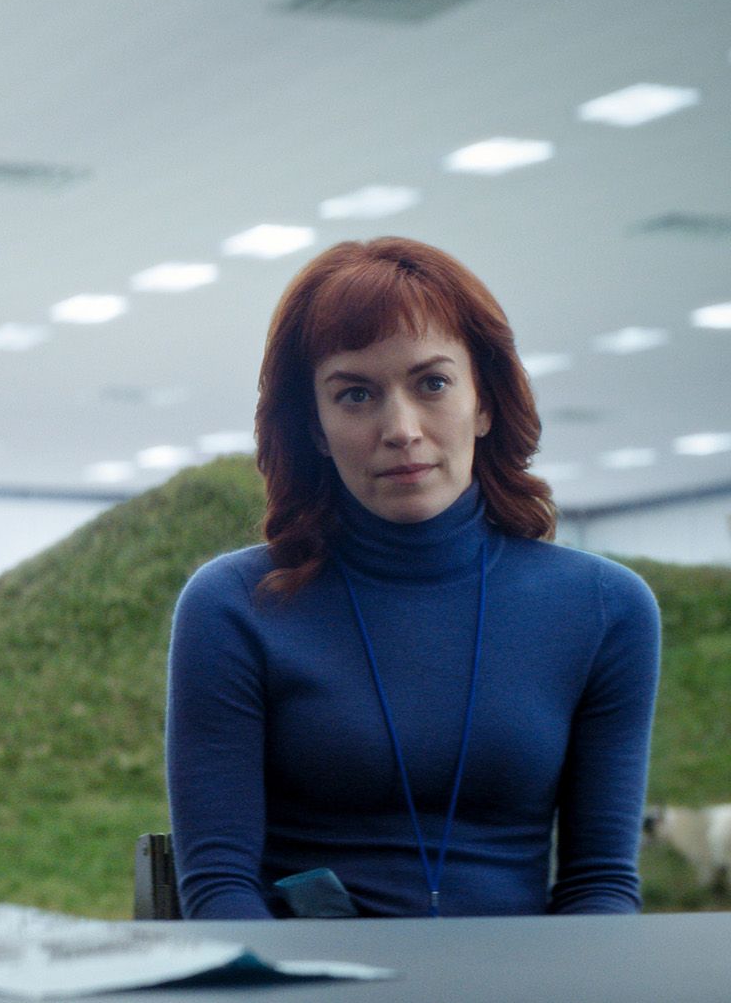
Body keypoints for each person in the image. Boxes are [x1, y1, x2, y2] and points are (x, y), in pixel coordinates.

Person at [165, 236, 659, 918]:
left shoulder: (605, 609)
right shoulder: (234, 607)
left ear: (484, 402)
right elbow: (219, 892)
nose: (400, 429)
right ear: (313, 426)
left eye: (432, 383)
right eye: (356, 394)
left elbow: (600, 886)